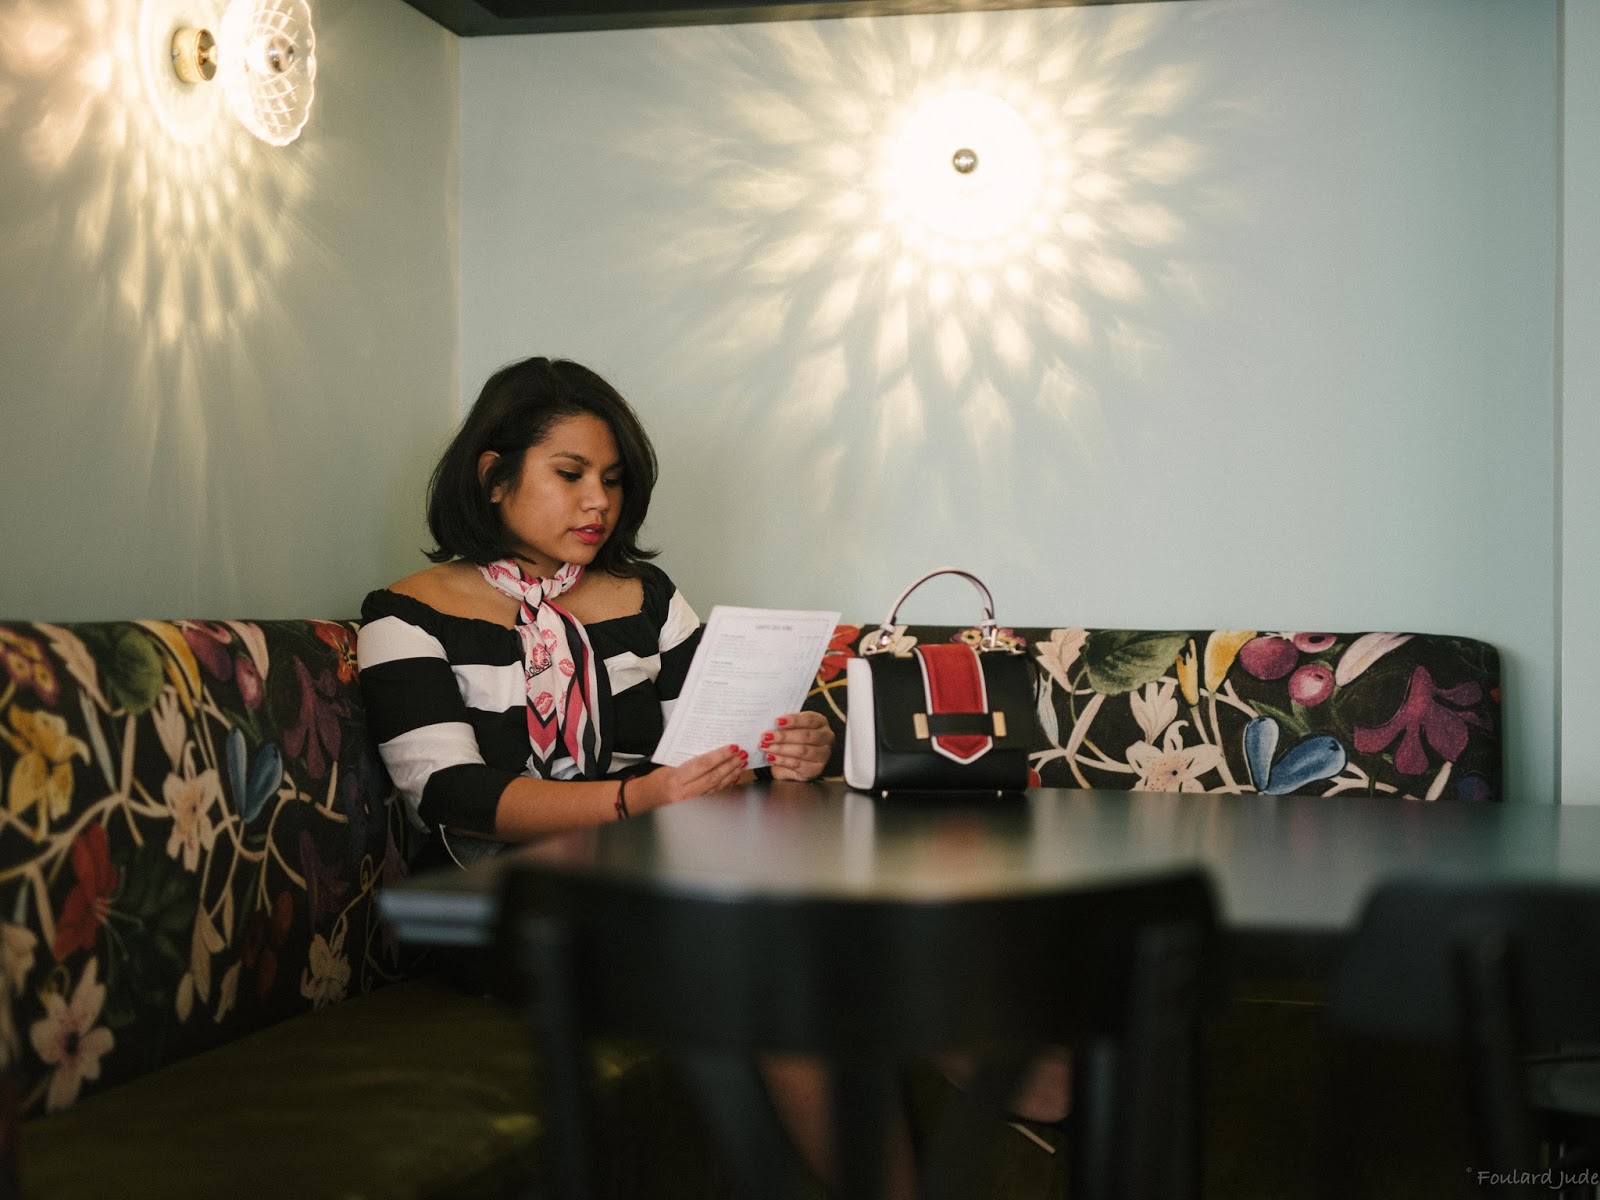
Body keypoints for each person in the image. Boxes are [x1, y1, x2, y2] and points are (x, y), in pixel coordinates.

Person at [357, 356, 833, 869]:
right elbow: (448, 795)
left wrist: (781, 754)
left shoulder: (648, 596)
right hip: (492, 886)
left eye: (612, 480)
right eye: (570, 474)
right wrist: (633, 800)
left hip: (653, 867)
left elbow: (707, 757)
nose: (599, 502)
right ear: (493, 476)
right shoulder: (407, 615)